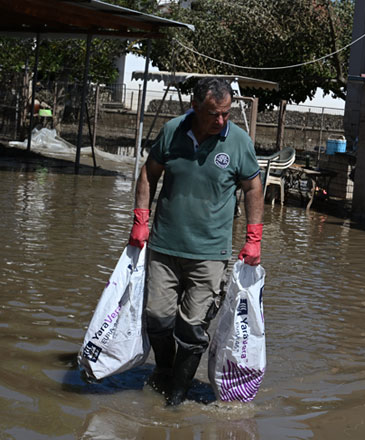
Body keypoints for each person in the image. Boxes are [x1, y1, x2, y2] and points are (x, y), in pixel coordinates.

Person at [128, 77, 264, 405]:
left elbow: (253, 187)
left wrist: (254, 238)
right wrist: (140, 219)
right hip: (163, 247)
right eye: (213, 114)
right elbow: (149, 173)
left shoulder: (239, 142)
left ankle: (177, 394)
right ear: (195, 107)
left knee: (192, 327)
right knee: (157, 318)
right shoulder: (173, 131)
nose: (220, 121)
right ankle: (164, 370)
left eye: (226, 114)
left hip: (210, 252)